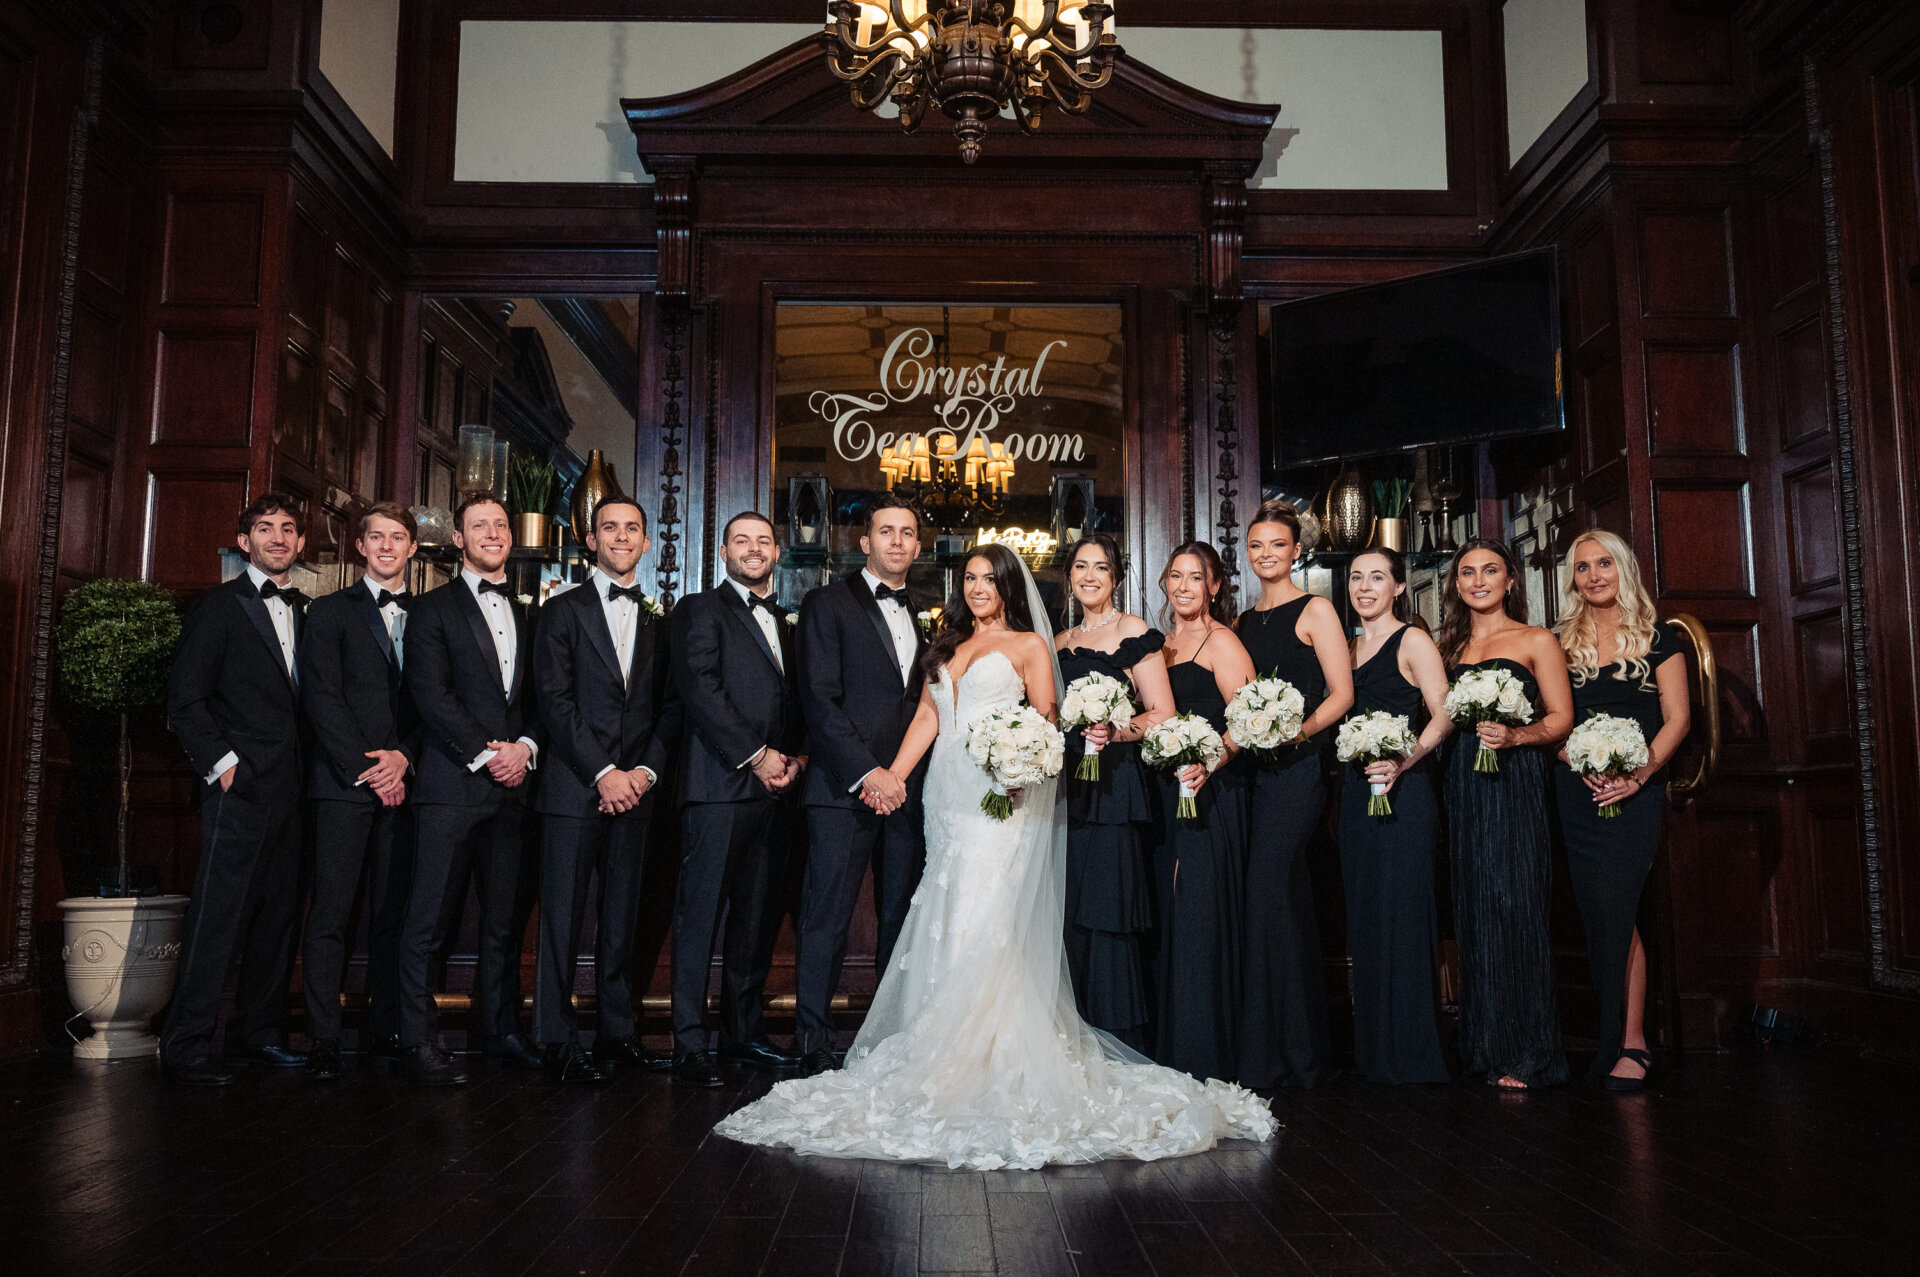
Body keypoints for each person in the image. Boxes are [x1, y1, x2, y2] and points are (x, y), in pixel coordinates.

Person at [713, 544, 1274, 1168]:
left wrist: (1021, 769)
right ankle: (940, 1039)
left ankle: (988, 1049)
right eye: (970, 579)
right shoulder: (945, 646)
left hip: (999, 796)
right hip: (944, 796)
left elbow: (1045, 723)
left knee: (989, 913)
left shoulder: (1033, 647)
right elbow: (929, 714)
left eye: (990, 579)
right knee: (946, 906)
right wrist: (894, 776)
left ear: (1010, 586)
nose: (979, 588)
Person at [162, 494, 312, 1085]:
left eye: (288, 529)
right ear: (243, 540)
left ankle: (257, 1036)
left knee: (277, 921)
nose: (277, 538)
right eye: (264, 528)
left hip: (296, 791)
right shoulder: (217, 608)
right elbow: (185, 698)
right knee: (218, 918)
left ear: (302, 545)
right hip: (240, 788)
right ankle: (185, 1045)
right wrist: (223, 764)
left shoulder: (309, 610)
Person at [394, 494, 544, 1086]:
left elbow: (540, 698)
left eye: (501, 525)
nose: (492, 533)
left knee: (504, 922)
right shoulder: (431, 609)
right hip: (452, 786)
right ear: (458, 539)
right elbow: (431, 695)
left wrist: (526, 749)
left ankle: (500, 1032)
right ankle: (417, 1041)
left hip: (515, 789)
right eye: (479, 526)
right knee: (427, 922)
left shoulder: (532, 612)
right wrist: (489, 754)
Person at [531, 497, 681, 1083]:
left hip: (637, 793)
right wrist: (604, 773)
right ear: (591, 540)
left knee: (622, 920)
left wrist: (642, 775)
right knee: (562, 921)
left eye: (633, 529)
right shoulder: (560, 611)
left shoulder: (659, 622)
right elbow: (555, 702)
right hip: (574, 788)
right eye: (610, 528)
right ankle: (556, 1039)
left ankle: (618, 1034)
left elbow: (670, 709)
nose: (622, 537)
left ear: (647, 543)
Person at [667, 511, 806, 1088]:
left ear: (778, 553)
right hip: (719, 785)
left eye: (764, 542)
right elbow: (702, 691)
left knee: (756, 919)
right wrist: (757, 755)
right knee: (700, 917)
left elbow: (796, 699)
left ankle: (742, 1032)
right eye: (742, 541)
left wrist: (794, 758)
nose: (754, 550)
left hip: (778, 792)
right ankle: (689, 1042)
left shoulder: (789, 620)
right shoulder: (700, 609)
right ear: (723, 552)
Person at [793, 497, 929, 1076]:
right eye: (885, 532)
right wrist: (868, 773)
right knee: (827, 916)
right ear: (864, 542)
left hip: (907, 791)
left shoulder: (923, 613)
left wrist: (897, 775)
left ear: (918, 547)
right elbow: (818, 701)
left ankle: (890, 1037)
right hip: (841, 789)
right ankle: (812, 1040)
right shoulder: (826, 603)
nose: (896, 542)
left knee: (900, 917)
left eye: (907, 533)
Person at [1553, 530, 1689, 1091]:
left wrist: (1637, 776)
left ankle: (1631, 1041)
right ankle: (1615, 1036)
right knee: (1599, 915)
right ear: (1572, 579)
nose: (1594, 575)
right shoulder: (1559, 642)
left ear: (1623, 568)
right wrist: (1575, 758)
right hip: (1578, 792)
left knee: (1620, 907)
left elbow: (1677, 720)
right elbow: (1554, 721)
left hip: (1636, 794)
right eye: (1583, 567)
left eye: (1604, 563)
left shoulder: (1661, 640)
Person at [1437, 536, 1573, 1090]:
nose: (1478, 581)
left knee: (1516, 903)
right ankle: (1486, 1049)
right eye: (1467, 573)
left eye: (1489, 570)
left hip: (1514, 780)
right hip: (1462, 781)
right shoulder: (1448, 649)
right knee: (1475, 906)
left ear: (1511, 580)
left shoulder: (1536, 639)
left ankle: (1530, 1053)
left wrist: (1517, 735)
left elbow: (1562, 717)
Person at [297, 502, 421, 1081]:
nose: (387, 547)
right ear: (361, 547)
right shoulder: (327, 612)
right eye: (377, 537)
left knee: (392, 916)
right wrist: (371, 768)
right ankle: (323, 1038)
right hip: (343, 786)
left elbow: (436, 703)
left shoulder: (430, 616)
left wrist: (405, 758)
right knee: (331, 914)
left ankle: (385, 1032)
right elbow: (321, 698)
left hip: (408, 784)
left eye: (398, 538)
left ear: (413, 549)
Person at [1235, 502, 1352, 1090]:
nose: (1266, 555)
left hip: (1299, 770)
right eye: (1256, 546)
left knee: (1270, 891)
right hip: (1254, 775)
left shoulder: (1317, 610)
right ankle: (1279, 1050)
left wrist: (1292, 733)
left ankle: (1297, 1057)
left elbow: (1341, 695)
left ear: (1296, 551)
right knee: (1280, 902)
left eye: (1276, 545)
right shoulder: (1241, 622)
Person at [1055, 533, 1173, 1050]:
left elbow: (1163, 712)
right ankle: (1075, 1031)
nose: (1089, 576)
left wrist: (1116, 729)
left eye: (1100, 568)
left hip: (1118, 790)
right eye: (1081, 567)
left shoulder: (1135, 632)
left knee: (1110, 906)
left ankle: (1117, 1037)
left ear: (1117, 577)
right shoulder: (1057, 643)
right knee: (1072, 909)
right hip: (1069, 792)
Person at [1339, 547, 1452, 1085]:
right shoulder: (1348, 646)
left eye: (1377, 577)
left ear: (1399, 588)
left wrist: (1401, 761)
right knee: (1366, 920)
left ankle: (1412, 1054)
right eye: (1357, 577)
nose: (1365, 587)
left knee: (1403, 918)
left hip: (1404, 795)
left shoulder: (1413, 640)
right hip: (1355, 797)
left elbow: (1444, 713)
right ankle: (1375, 1055)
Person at [1153, 541, 1256, 1085]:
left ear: (1214, 585)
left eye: (1196, 577)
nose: (1185, 586)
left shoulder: (1223, 642)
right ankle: (1172, 1047)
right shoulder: (1162, 645)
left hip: (1211, 792)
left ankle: (1204, 1052)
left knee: (1199, 912)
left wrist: (1209, 761)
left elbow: (1252, 716)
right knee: (1171, 908)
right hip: (1166, 792)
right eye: (1176, 577)